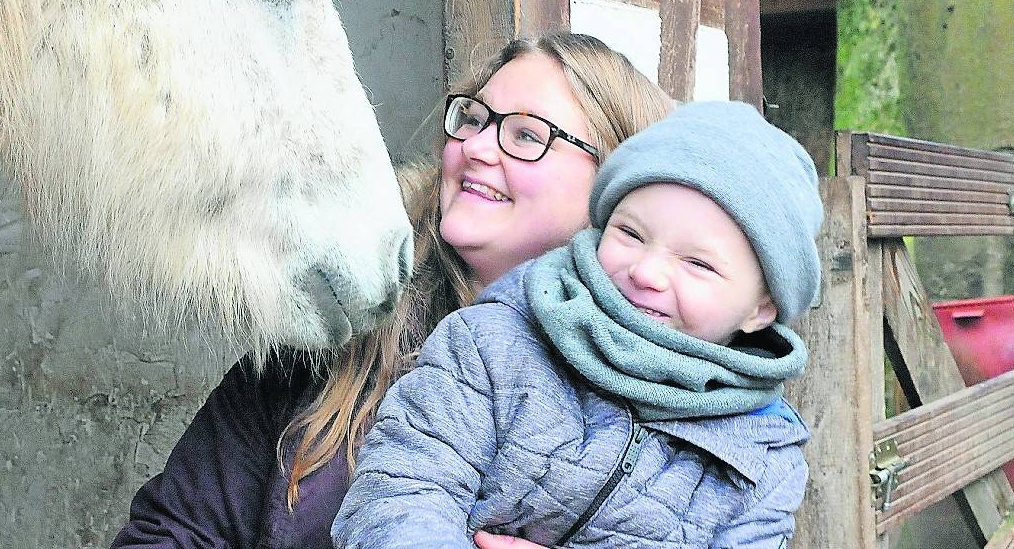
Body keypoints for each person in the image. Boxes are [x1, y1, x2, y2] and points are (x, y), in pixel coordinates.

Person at [110, 32, 674, 549]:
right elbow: (173, 531)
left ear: (615, 184)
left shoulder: (673, 398)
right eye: (474, 119)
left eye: (527, 133)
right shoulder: (339, 325)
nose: (477, 146)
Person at [331, 100, 823, 549]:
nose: (646, 272)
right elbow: (401, 493)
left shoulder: (765, 457)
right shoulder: (492, 344)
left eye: (698, 263)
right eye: (630, 233)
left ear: (761, 308)